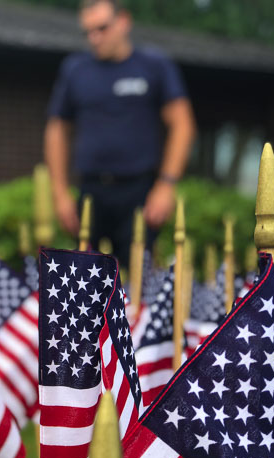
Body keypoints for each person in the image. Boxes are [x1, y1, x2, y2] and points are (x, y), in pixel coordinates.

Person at [44, 0, 195, 265]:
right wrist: (59, 193)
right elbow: (56, 129)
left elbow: (182, 123)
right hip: (90, 190)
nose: (95, 38)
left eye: (102, 28)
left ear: (123, 21)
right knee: (86, 280)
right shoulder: (75, 69)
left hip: (139, 192)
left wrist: (166, 184)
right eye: (88, 31)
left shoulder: (154, 65)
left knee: (138, 280)